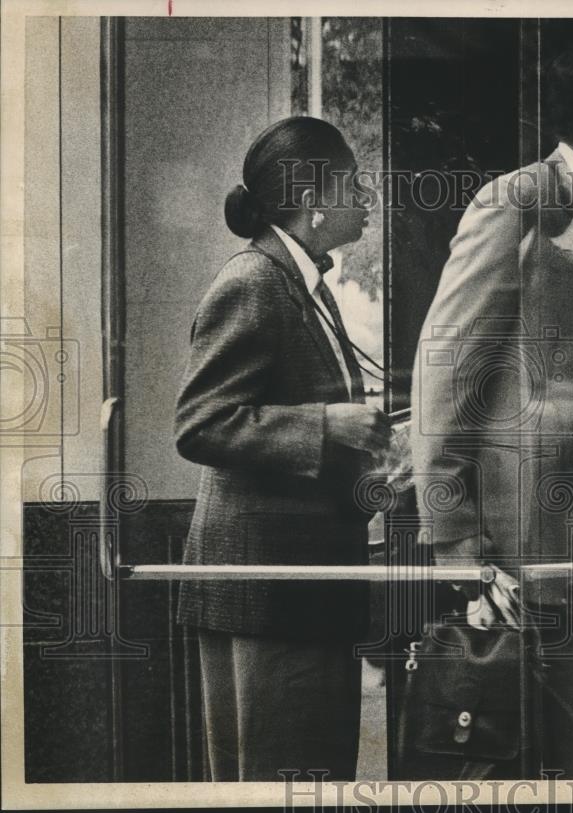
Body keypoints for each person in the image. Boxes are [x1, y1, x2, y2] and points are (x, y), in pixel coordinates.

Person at [410, 44, 573, 777]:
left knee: (572, 754)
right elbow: (445, 369)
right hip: (512, 554)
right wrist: (455, 544)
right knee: (512, 753)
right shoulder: (517, 202)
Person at [174, 116, 389, 781]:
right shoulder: (253, 282)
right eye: (355, 184)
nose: (367, 199)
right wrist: (327, 426)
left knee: (308, 781)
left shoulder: (301, 285)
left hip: (297, 593)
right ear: (316, 202)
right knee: (285, 785)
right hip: (270, 600)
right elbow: (201, 423)